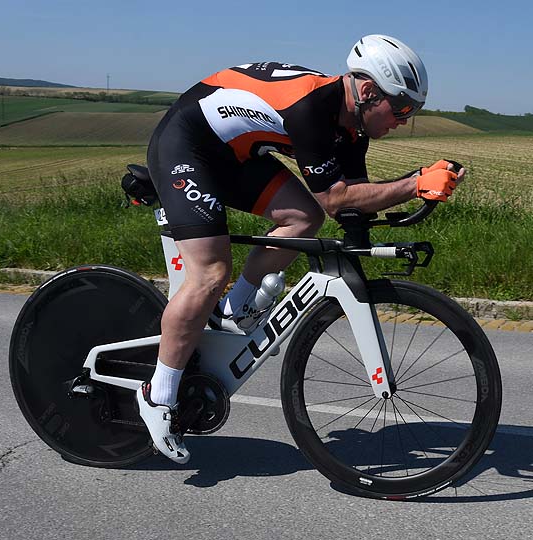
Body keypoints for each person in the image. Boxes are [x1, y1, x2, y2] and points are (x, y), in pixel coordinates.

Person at [137, 34, 466, 463]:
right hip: (188, 145)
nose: (404, 121)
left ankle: (234, 311)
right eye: (402, 108)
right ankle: (158, 395)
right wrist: (414, 183)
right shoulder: (310, 108)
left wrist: (417, 188)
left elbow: (355, 202)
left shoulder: (352, 131)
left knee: (303, 218)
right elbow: (337, 199)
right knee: (210, 273)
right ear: (368, 91)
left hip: (234, 155)